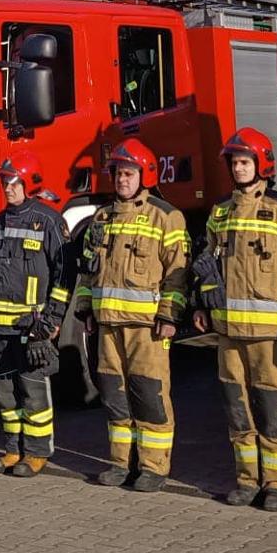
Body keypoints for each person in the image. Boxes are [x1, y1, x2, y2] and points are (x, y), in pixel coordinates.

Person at [197, 129, 277, 511]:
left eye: (245, 161)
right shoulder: (220, 212)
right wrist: (202, 302)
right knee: (237, 406)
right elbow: (206, 262)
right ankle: (248, 479)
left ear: (261, 164)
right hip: (228, 331)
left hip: (270, 332)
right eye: (234, 162)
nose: (239, 168)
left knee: (273, 404)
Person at [74, 139, 189, 492]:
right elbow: (88, 269)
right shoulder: (102, 217)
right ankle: (121, 463)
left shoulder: (166, 215)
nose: (122, 180)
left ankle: (153, 467)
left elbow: (177, 272)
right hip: (108, 324)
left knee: (149, 394)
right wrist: (85, 308)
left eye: (128, 173)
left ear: (145, 175)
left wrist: (169, 315)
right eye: (118, 173)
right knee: (114, 395)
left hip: (147, 327)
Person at [0, 152, 69, 478]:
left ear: (29, 182)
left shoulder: (48, 220)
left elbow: (65, 273)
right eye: (4, 182)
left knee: (33, 390)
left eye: (13, 182)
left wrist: (52, 319)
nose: (8, 188)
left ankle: (37, 453)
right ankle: (12, 449)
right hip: (1, 326)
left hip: (33, 328)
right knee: (5, 394)